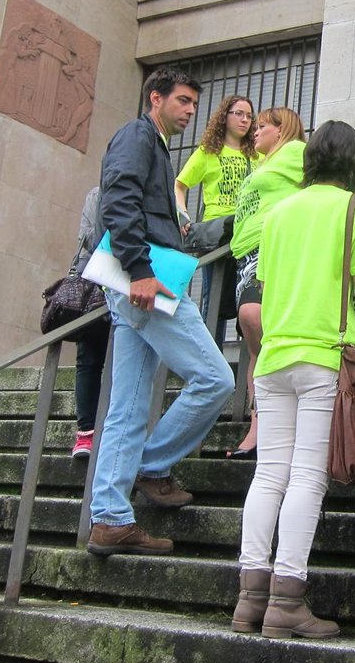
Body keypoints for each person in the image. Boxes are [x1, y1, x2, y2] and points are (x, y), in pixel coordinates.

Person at [232, 120, 355, 639]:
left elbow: (267, 282)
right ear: (354, 164)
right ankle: (286, 599)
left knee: (268, 475)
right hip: (324, 357)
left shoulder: (279, 213)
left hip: (273, 357)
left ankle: (249, 598)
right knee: (306, 477)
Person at [87, 67, 235, 556]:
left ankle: (110, 518)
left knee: (128, 406)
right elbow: (118, 200)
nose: (191, 111)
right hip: (145, 282)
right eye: (183, 101)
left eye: (194, 103)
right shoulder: (137, 135)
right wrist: (140, 269)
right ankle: (151, 467)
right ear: (156, 98)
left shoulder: (154, 144)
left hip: (141, 282)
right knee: (216, 378)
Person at [227, 107, 307, 456]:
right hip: (244, 255)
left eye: (262, 126)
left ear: (282, 130)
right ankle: (258, 424)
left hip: (271, 247)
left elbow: (321, 185)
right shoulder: (261, 164)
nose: (255, 132)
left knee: (254, 317)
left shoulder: (296, 151)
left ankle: (280, 419)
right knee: (255, 345)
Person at [174, 94, 256, 340]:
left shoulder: (256, 155)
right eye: (238, 114)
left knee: (245, 295)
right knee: (214, 298)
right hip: (216, 234)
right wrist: (183, 216)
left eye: (249, 116)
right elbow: (179, 184)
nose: (245, 120)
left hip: (246, 232)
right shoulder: (208, 152)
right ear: (224, 117)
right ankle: (211, 350)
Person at [71, 185, 108, 459]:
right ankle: (86, 432)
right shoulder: (97, 194)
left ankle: (102, 431)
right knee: (89, 354)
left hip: (128, 278)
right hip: (95, 278)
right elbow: (89, 238)